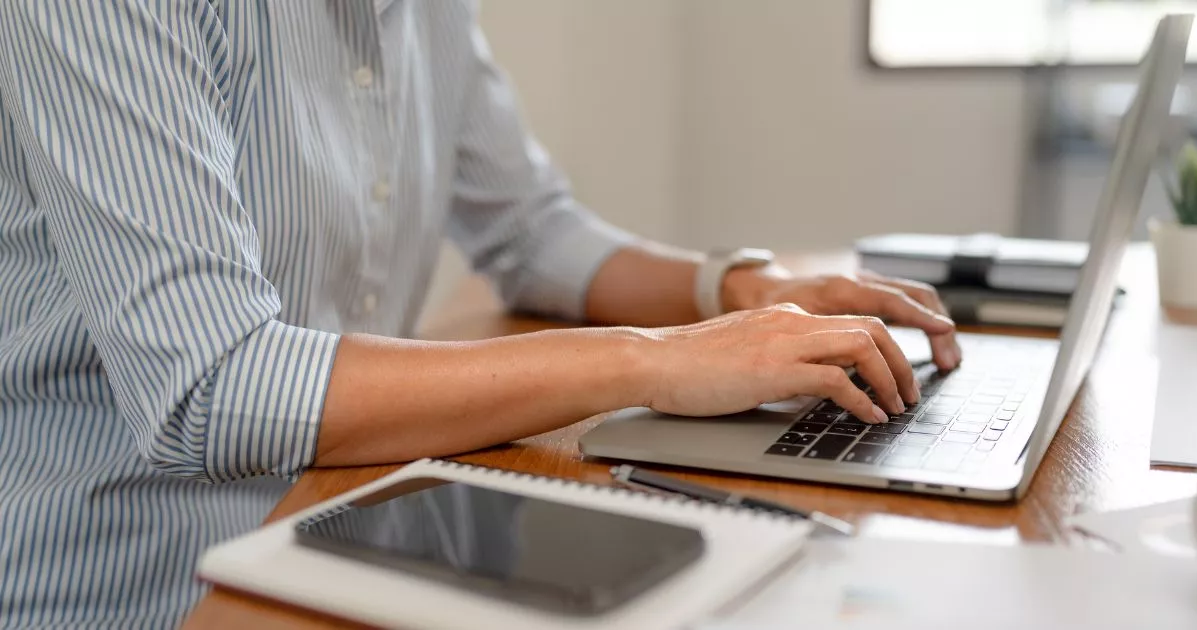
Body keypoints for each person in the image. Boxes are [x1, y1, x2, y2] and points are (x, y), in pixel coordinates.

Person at [0, 1, 961, 627]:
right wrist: (654, 359)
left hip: (345, 511)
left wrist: (738, 290)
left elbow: (532, 232)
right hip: (132, 585)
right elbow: (216, 386)